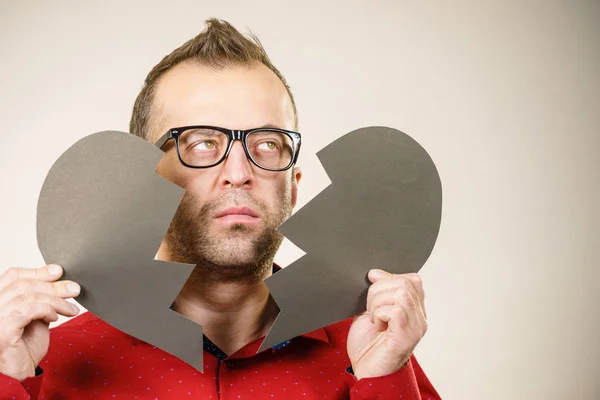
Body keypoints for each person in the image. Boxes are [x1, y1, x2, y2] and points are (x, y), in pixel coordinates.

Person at [0, 19, 441, 399]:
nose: (239, 171)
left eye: (267, 144)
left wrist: (383, 381)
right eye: (202, 142)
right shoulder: (39, 363)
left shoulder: (377, 356)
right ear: (140, 184)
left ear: (295, 187)